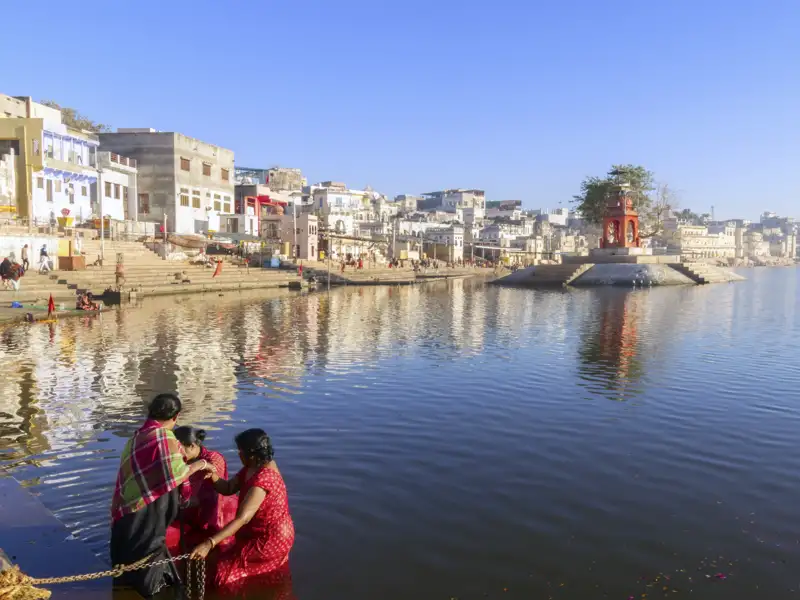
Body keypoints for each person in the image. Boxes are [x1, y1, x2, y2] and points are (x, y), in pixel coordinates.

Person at [110, 394, 212, 598]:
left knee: (129, 558)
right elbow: (178, 474)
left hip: (127, 509)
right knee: (148, 556)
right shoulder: (166, 438)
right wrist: (201, 464)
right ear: (176, 417)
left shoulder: (136, 437)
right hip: (149, 511)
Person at [190, 428, 294, 593]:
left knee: (221, 577)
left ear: (251, 455)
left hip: (269, 538)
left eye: (240, 452)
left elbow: (242, 519)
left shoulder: (264, 477)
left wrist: (209, 543)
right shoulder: (251, 467)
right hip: (257, 531)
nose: (238, 455)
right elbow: (229, 487)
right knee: (224, 562)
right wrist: (214, 476)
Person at [165, 427, 238, 557]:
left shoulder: (214, 460)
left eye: (180, 449)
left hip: (215, 513)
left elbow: (210, 497)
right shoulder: (181, 460)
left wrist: (177, 502)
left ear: (192, 446)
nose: (177, 454)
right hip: (188, 509)